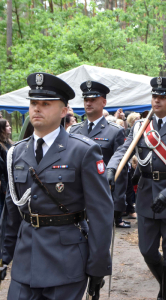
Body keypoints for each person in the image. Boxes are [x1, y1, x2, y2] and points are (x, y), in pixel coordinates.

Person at [0, 73, 113, 300]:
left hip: (66, 262)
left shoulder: (83, 151)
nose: (37, 109)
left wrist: (97, 267)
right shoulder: (17, 153)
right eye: (33, 103)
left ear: (63, 111)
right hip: (26, 261)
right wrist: (3, 256)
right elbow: (12, 209)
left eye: (46, 104)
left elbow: (101, 213)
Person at [107, 77, 166, 300]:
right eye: (154, 96)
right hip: (147, 195)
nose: (157, 100)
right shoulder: (140, 126)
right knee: (147, 251)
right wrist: (112, 168)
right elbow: (124, 150)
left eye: (162, 97)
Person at [69, 80, 129, 228]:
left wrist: (118, 203)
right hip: (76, 198)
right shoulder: (74, 130)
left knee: (100, 245)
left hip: (101, 197)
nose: (88, 103)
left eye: (93, 99)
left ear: (103, 102)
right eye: (86, 100)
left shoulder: (115, 131)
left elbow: (121, 169)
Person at [0, 119, 13, 214]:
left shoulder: (9, 143)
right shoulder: (1, 146)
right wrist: (4, 187)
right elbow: (1, 168)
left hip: (11, 179)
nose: (10, 127)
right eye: (7, 126)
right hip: (5, 182)